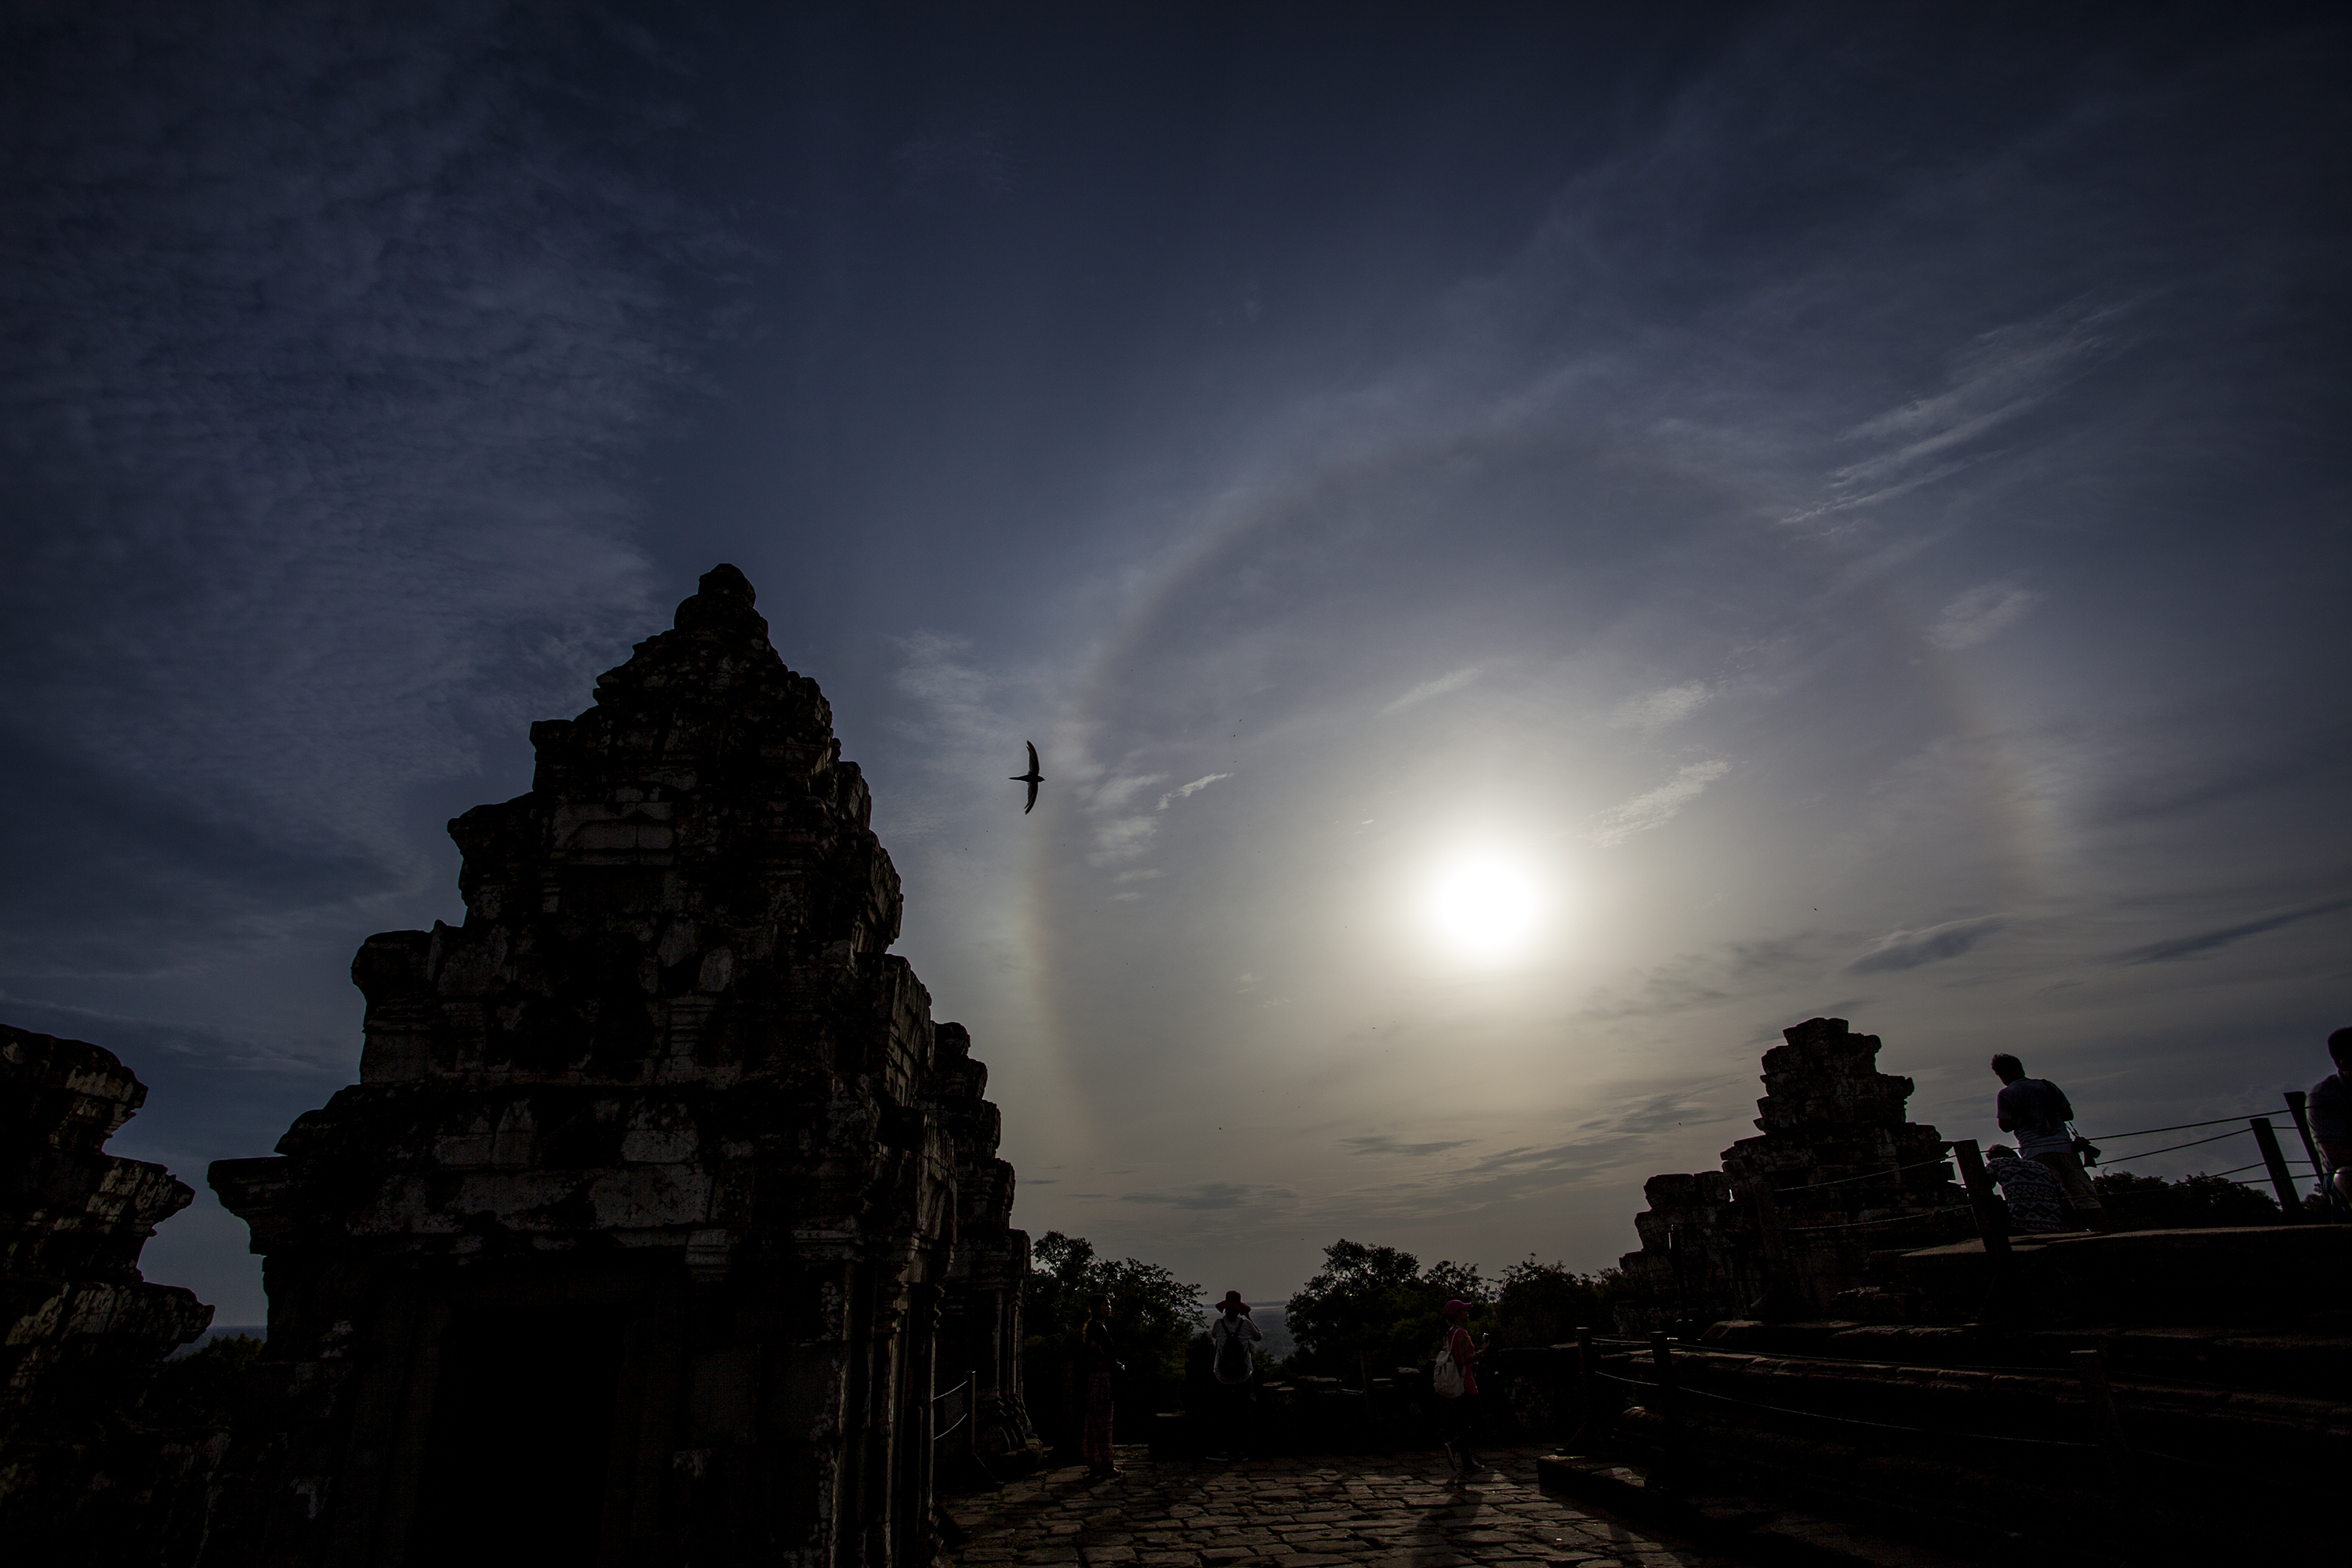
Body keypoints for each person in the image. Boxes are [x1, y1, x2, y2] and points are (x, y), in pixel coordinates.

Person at [1991, 1054, 2112, 1232]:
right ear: (2020, 1068)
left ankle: (2073, 1236)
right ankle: (2105, 1232)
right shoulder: (2047, 1085)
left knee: (2055, 1199)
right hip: (2065, 1148)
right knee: (2084, 1195)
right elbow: (2068, 1115)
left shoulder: (2006, 1094)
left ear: (2002, 1074)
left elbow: (2005, 1127)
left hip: (2034, 1152)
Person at [1203, 1291, 1262, 1461]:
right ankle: (1241, 1450)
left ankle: (1221, 1449)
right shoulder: (1246, 1325)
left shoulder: (1218, 1324)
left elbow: (1213, 1335)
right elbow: (1258, 1336)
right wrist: (1248, 1317)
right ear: (1239, 1310)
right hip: (1243, 1376)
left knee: (1221, 1412)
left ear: (1225, 1309)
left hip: (1222, 1376)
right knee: (1243, 1412)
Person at [1438, 1298, 1487, 1475]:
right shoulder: (1461, 1334)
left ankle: (1467, 1462)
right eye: (1464, 1311)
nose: (1467, 1313)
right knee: (1478, 1425)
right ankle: (1454, 1446)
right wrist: (1482, 1351)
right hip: (1465, 1383)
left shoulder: (1449, 1334)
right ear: (1457, 1314)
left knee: (1463, 1423)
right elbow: (1463, 1359)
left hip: (1455, 1383)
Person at [2308, 1027, 2352, 1209]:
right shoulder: (2324, 1096)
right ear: (2346, 1064)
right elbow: (2339, 1157)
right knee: (2346, 1175)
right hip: (2343, 1178)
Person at [1983, 1144, 2068, 1233]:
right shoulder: (2040, 1166)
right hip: (2055, 1224)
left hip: (2021, 1224)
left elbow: (1982, 1187)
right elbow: (2062, 1193)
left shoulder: (1996, 1163)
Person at [1080, 1294, 1120, 1478]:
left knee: (1097, 1422)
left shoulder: (1097, 1326)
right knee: (1101, 1422)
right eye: (1105, 1305)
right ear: (1096, 1308)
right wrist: (1109, 1362)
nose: (1108, 1308)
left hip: (1100, 1377)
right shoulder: (1096, 1327)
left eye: (1109, 1305)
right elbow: (1094, 1347)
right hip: (1101, 1378)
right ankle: (1103, 1463)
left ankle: (1098, 1462)